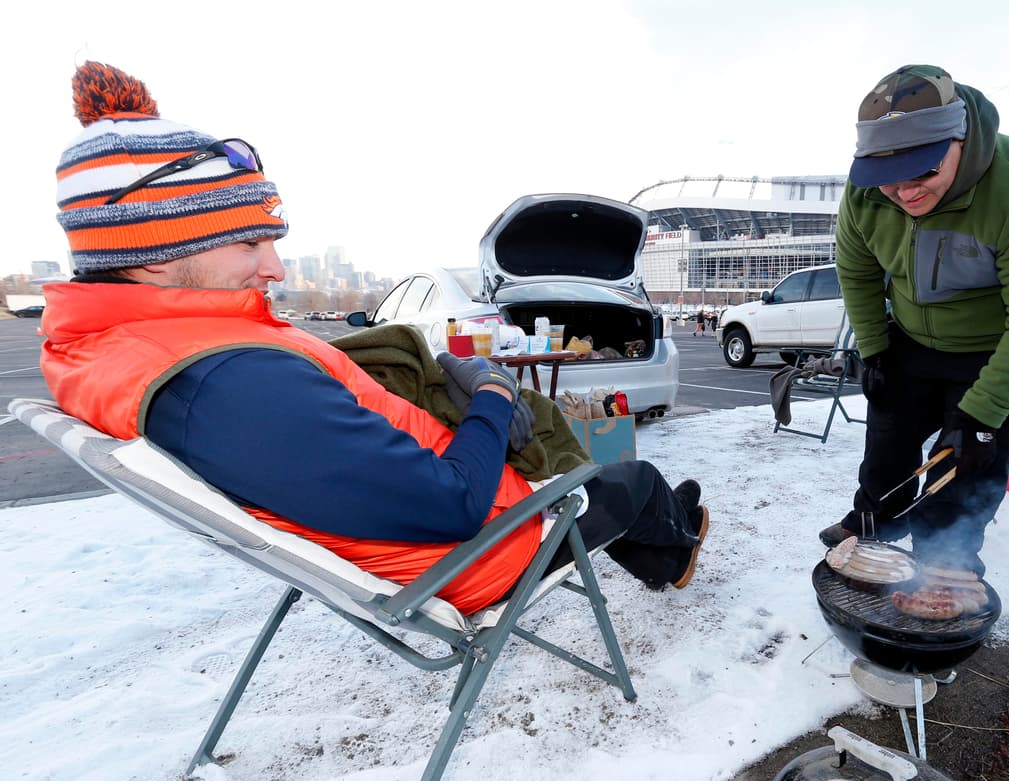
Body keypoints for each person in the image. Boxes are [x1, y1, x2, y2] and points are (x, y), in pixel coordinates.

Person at [40, 61, 710, 615]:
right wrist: (496, 393)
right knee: (634, 481)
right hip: (481, 551)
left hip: (425, 525)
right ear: (155, 253)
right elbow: (452, 502)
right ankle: (670, 549)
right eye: (249, 242)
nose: (273, 266)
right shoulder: (226, 386)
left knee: (609, 485)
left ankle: (659, 537)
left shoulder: (128, 346)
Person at [821, 64, 1009, 575]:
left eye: (922, 172)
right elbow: (855, 272)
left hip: (995, 351)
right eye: (886, 180)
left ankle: (948, 557)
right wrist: (874, 348)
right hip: (910, 342)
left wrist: (983, 414)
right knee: (887, 444)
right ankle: (877, 519)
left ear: (960, 139)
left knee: (965, 466)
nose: (904, 193)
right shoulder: (865, 193)